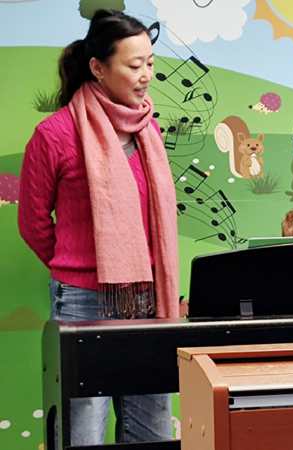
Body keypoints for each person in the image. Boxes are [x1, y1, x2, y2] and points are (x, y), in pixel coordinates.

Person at [18, 9, 178, 446]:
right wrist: (77, 267)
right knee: (83, 431)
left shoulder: (148, 128)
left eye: (150, 63)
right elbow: (33, 223)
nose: (146, 75)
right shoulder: (54, 134)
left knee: (153, 429)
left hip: (147, 299)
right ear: (98, 67)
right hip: (82, 302)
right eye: (134, 65)